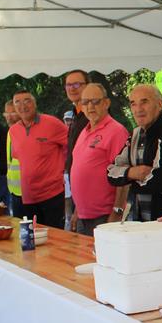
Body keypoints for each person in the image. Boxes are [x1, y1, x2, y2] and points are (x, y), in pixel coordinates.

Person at [106, 84, 162, 221]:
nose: (138, 109)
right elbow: (111, 173)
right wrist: (134, 173)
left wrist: (128, 179)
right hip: (138, 218)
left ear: (159, 104)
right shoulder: (135, 134)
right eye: (133, 104)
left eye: (144, 102)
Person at [66, 83, 129, 235]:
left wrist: (117, 211)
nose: (90, 106)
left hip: (105, 216)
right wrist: (76, 212)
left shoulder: (116, 131)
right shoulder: (84, 130)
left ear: (106, 103)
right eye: (85, 102)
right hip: (83, 216)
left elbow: (124, 177)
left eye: (95, 101)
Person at [8, 89, 68, 228]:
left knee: (55, 239)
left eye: (27, 100)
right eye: (18, 102)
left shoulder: (52, 123)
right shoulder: (13, 131)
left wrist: (62, 167)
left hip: (52, 194)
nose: (23, 106)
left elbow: (74, 147)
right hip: (27, 197)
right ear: (14, 107)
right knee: (32, 240)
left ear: (35, 103)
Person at [63, 70, 90, 226]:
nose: (72, 88)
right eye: (68, 85)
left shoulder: (91, 116)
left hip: (89, 198)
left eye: (77, 84)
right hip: (76, 189)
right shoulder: (75, 115)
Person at [3, 100, 23, 216]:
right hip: (14, 189)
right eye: (7, 113)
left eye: (13, 113)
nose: (9, 117)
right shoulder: (10, 132)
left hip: (27, 191)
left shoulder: (24, 131)